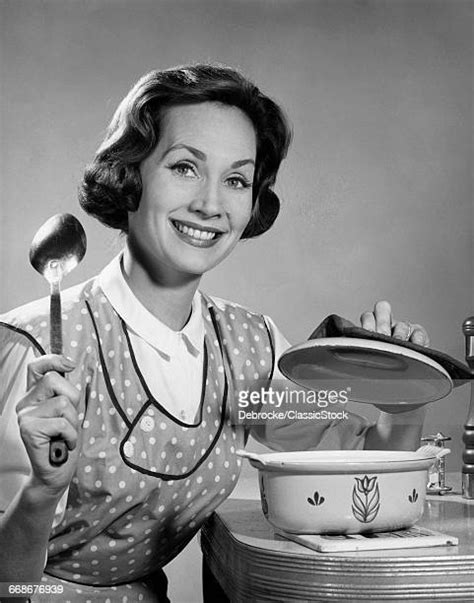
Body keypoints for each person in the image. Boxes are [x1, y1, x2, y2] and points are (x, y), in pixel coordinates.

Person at [0, 64, 429, 602]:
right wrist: (41, 492)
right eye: (184, 168)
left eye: (236, 180)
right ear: (129, 176)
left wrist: (405, 397)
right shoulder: (36, 345)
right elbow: (7, 584)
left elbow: (360, 471)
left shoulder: (251, 349)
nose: (210, 203)